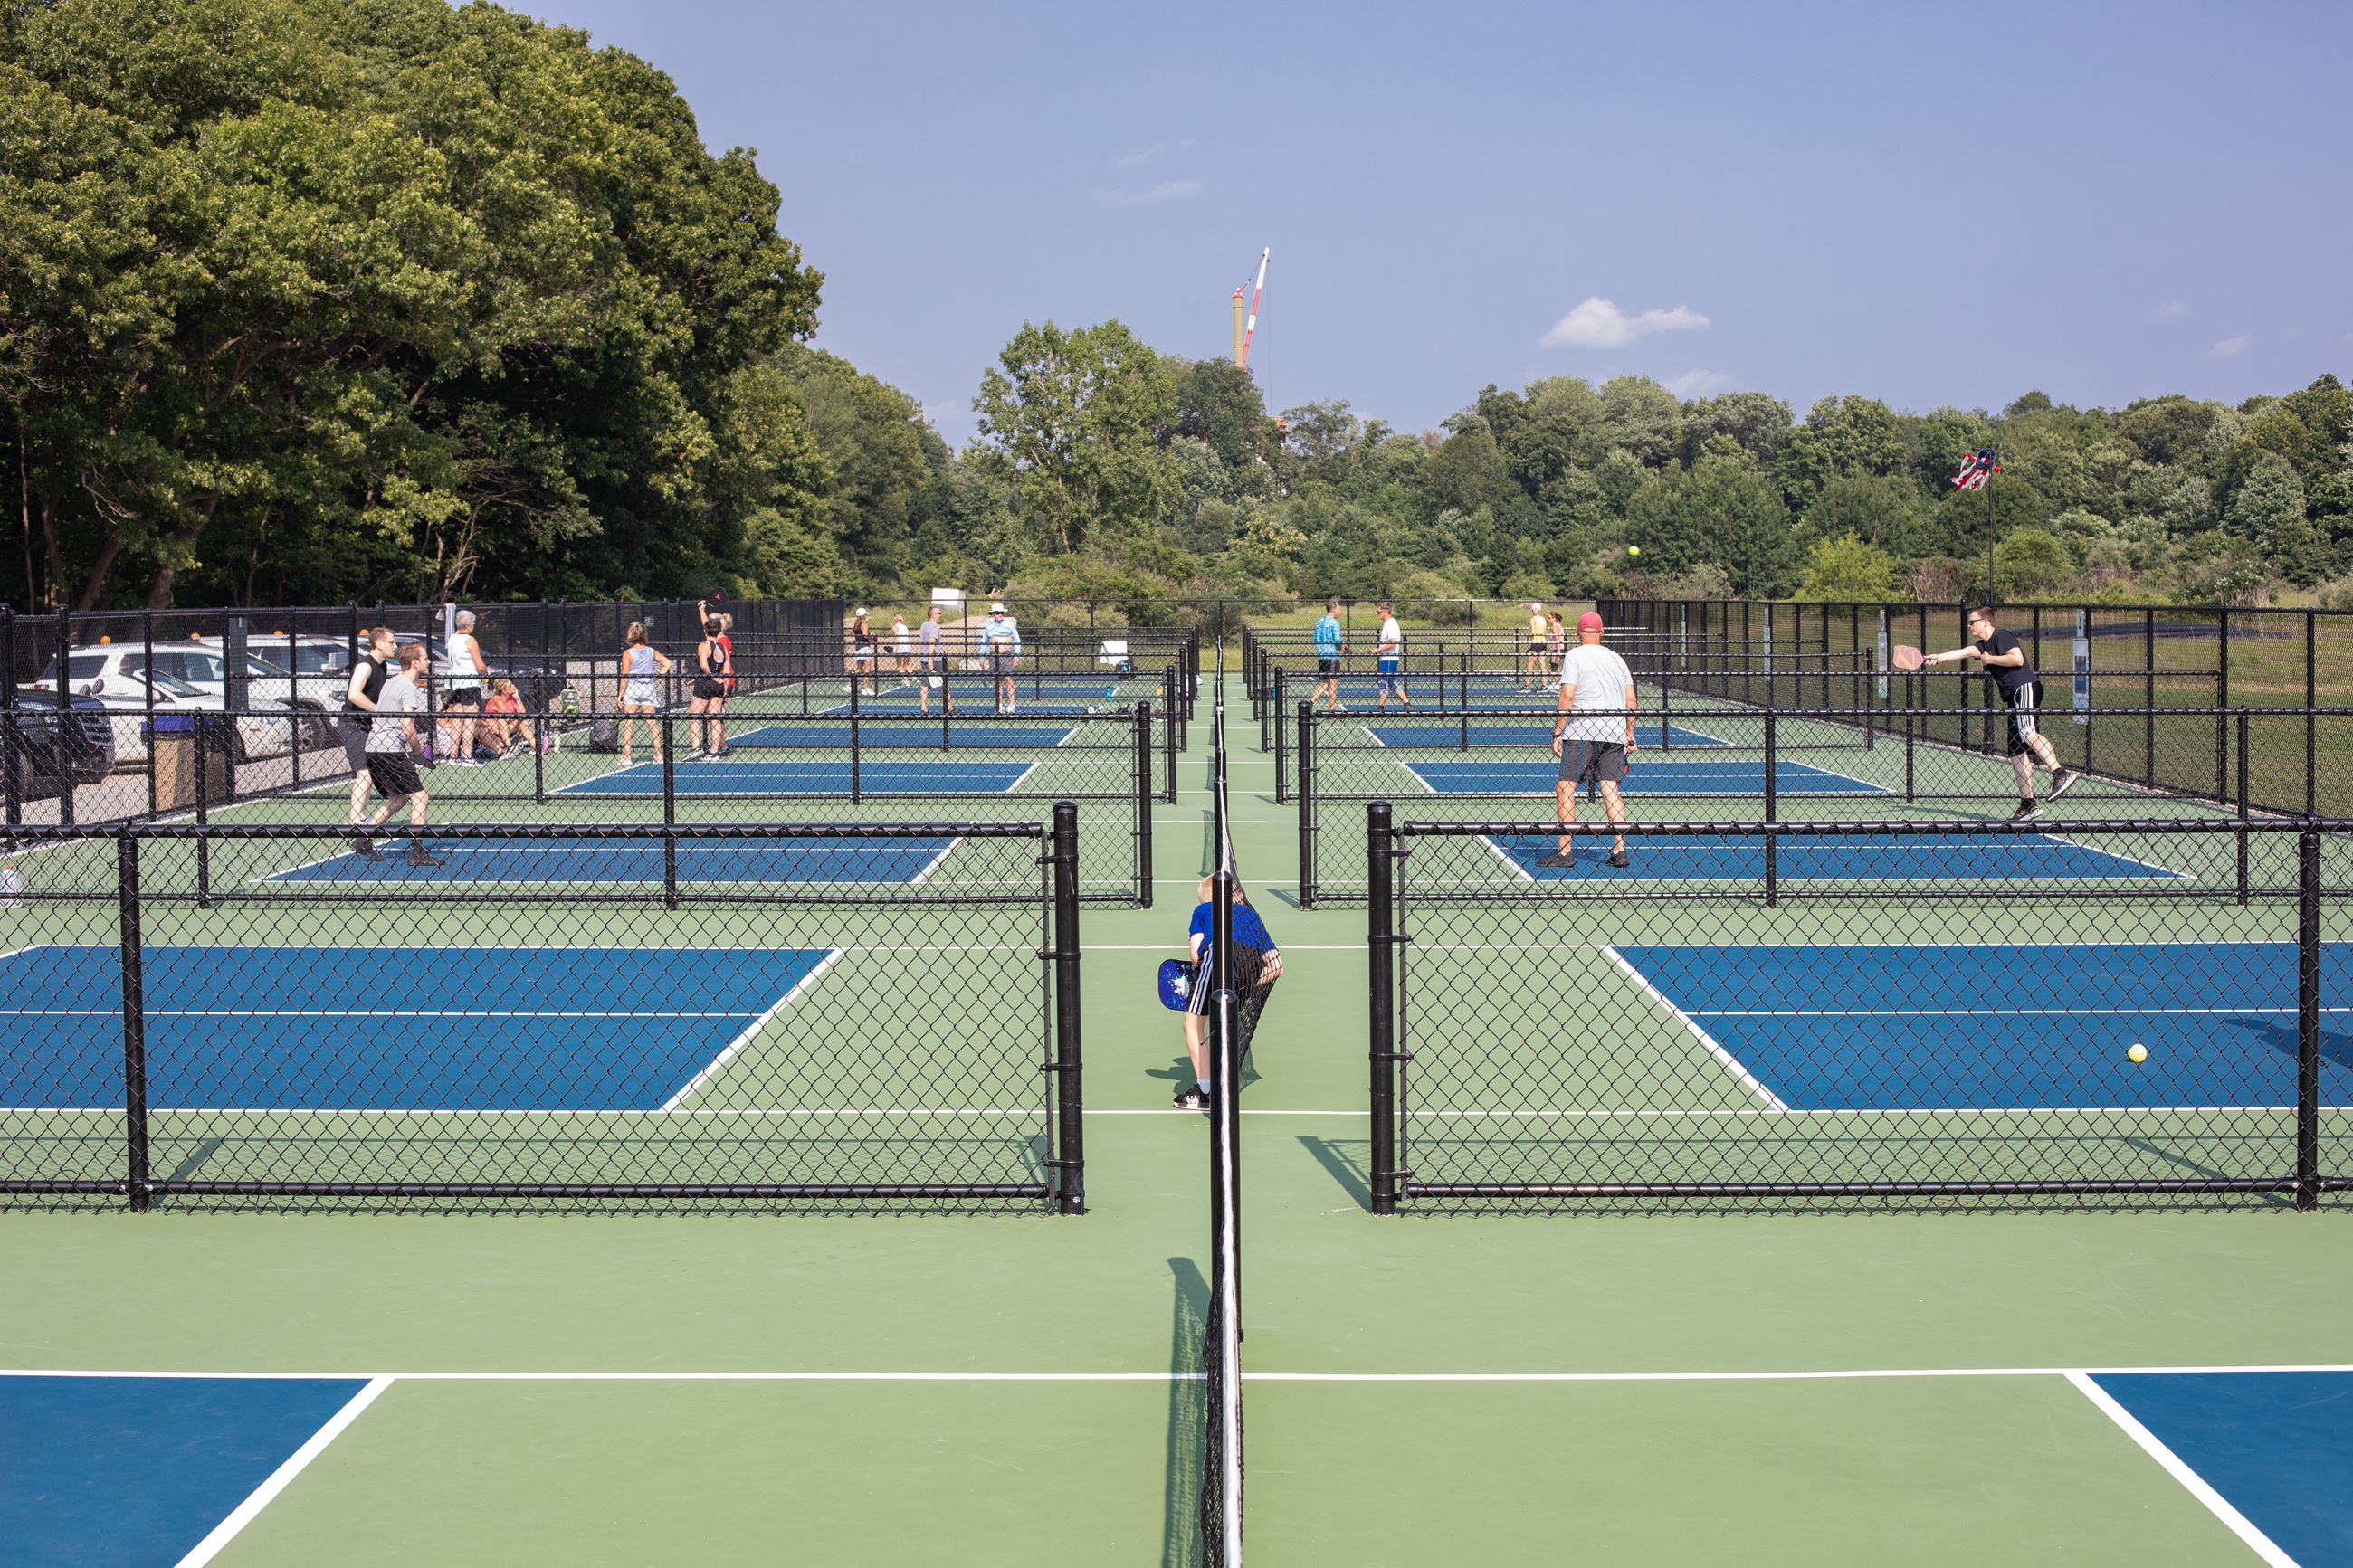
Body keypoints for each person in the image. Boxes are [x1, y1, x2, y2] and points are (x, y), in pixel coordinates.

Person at [1922, 605, 2080, 822]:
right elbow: (1965, 652)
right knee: (2015, 750)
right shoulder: (1982, 646)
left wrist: (1990, 660)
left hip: (2023, 689)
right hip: (2014, 696)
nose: (1970, 626)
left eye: (1972, 622)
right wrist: (1938, 657)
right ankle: (2028, 804)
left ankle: (2060, 773)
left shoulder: (2001, 636)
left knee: (2027, 732)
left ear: (1986, 621)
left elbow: (2017, 659)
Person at [1174, 875, 1283, 1111]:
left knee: (1192, 1026)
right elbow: (1276, 966)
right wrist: (1242, 986)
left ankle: (1205, 1092)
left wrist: (1202, 972)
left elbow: (1195, 955)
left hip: (1217, 956)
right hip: (1250, 965)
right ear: (1237, 896)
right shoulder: (1251, 916)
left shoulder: (1202, 911)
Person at [1542, 611, 1637, 869]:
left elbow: (1567, 696)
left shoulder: (1574, 655)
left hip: (1582, 731)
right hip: (1614, 730)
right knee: (1610, 788)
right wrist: (1629, 732)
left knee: (1565, 787)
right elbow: (1631, 701)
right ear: (1602, 631)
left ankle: (1564, 851)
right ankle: (1619, 849)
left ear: (1577, 633)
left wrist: (1557, 731)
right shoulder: (1617, 659)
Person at [355, 641, 443, 868]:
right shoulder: (408, 687)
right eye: (425, 658)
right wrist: (417, 750)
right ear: (415, 663)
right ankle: (417, 851)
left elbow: (379, 717)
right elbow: (408, 727)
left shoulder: (390, 683)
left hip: (374, 748)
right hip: (389, 749)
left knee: (400, 798)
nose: (429, 662)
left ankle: (363, 839)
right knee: (420, 796)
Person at [340, 626, 397, 838]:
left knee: (370, 773)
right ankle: (355, 822)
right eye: (392, 642)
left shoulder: (383, 667)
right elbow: (354, 695)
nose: (395, 646)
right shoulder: (365, 666)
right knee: (364, 773)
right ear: (380, 643)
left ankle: (361, 816)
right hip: (352, 724)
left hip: (368, 725)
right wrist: (378, 710)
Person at [614, 621, 674, 765]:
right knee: (652, 723)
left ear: (631, 635)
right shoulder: (651, 651)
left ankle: (627, 757)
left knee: (629, 723)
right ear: (644, 635)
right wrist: (657, 676)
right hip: (648, 689)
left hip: (633, 690)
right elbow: (667, 663)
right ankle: (658, 755)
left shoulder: (627, 653)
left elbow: (625, 676)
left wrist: (620, 696)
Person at [441, 609, 486, 766]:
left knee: (456, 720)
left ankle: (453, 756)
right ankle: (467, 757)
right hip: (469, 684)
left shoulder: (452, 638)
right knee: (469, 720)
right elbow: (479, 665)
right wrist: (486, 672)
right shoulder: (469, 640)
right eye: (472, 623)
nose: (473, 626)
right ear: (468, 625)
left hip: (455, 683)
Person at [689, 616, 732, 756]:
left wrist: (712, 677)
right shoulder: (723, 648)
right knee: (715, 719)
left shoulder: (703, 646)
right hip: (718, 686)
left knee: (694, 716)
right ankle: (714, 751)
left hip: (704, 683)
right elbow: (726, 671)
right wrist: (724, 689)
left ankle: (696, 748)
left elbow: (704, 666)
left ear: (705, 630)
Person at [980, 602, 1021, 713]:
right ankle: (999, 705)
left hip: (1006, 656)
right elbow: (984, 643)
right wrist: (982, 657)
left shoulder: (1009, 625)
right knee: (997, 681)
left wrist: (1017, 656)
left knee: (1008, 679)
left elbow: (1016, 640)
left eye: (1001, 613)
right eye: (998, 613)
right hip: (994, 656)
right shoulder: (989, 627)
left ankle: (1012, 705)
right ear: (993, 614)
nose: (1000, 615)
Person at [917, 603, 956, 715]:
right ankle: (949, 708)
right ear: (933, 615)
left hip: (924, 658)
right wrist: (931, 659)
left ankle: (924, 709)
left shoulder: (924, 625)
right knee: (944, 684)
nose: (940, 615)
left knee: (925, 684)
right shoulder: (935, 627)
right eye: (939, 613)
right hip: (934, 660)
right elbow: (932, 642)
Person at [1311, 597, 1348, 714]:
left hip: (1321, 656)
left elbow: (1315, 638)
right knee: (1333, 684)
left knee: (1324, 682)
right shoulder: (1334, 622)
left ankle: (1310, 702)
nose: (1340, 612)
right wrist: (1342, 647)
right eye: (1339, 609)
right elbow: (1337, 639)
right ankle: (1332, 710)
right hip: (1331, 656)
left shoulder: (1319, 622)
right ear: (1333, 609)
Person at [1373, 600, 1410, 711]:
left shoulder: (1391, 624)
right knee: (1391, 682)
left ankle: (1380, 707)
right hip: (1387, 658)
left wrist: (1379, 649)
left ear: (1385, 612)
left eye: (1379, 611)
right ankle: (1407, 704)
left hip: (1389, 658)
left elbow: (1392, 643)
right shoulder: (1387, 624)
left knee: (1383, 681)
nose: (1378, 614)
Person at [477, 678, 527, 756]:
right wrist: (515, 718)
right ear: (504, 691)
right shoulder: (496, 699)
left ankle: (537, 747)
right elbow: (506, 716)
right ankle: (509, 747)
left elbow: (523, 713)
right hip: (493, 728)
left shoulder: (512, 698)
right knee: (501, 721)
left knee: (524, 722)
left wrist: (517, 697)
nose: (513, 686)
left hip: (505, 728)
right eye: (510, 686)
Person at [848, 608, 877, 696]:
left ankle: (849, 685)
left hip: (858, 648)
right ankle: (865, 688)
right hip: (865, 648)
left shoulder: (854, 627)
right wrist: (872, 636)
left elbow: (853, 639)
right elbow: (865, 636)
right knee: (867, 669)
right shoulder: (864, 625)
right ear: (863, 615)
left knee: (859, 669)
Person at [1522, 602, 1549, 691]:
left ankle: (1527, 685)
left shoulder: (1533, 619)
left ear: (1535, 610)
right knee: (1543, 664)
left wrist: (1527, 637)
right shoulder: (1543, 619)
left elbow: (1533, 633)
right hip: (1543, 642)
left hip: (1536, 642)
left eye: (1533, 609)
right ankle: (1544, 685)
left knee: (1530, 664)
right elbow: (1545, 633)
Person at [891, 612, 914, 689]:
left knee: (899, 665)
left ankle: (906, 681)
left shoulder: (894, 626)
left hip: (900, 646)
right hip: (907, 646)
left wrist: (896, 648)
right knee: (907, 665)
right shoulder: (905, 627)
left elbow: (897, 637)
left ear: (895, 618)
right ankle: (915, 679)